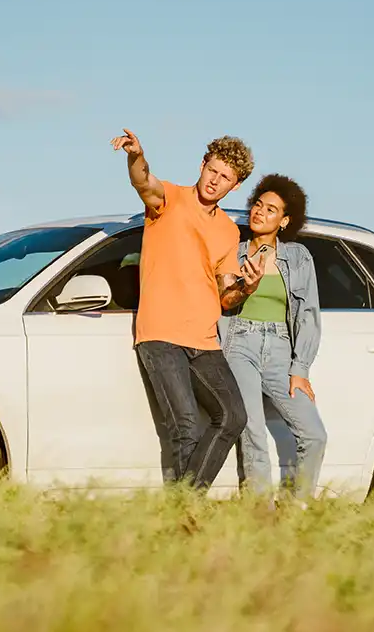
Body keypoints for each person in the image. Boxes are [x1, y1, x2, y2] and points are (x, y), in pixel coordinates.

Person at [111, 129, 266, 490]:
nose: (215, 180)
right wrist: (135, 155)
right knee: (185, 427)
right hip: (161, 334)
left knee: (232, 417)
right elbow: (143, 181)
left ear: (236, 185)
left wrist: (250, 285)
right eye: (212, 170)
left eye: (225, 177)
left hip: (204, 339)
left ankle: (186, 506)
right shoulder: (170, 199)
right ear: (202, 165)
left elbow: (228, 296)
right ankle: (186, 518)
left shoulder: (229, 231)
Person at [219, 174, 327, 503]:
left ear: (284, 220)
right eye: (257, 205)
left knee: (314, 434)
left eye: (271, 209)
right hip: (240, 342)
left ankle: (296, 511)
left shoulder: (297, 257)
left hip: (281, 347)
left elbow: (308, 313)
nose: (260, 212)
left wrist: (301, 368)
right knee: (252, 433)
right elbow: (224, 300)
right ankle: (260, 517)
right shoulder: (231, 253)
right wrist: (244, 286)